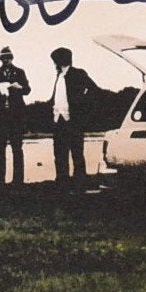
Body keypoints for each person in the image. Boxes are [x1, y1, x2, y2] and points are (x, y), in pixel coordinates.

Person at [48, 46, 96, 187]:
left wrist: (81, 109)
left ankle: (79, 182)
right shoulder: (59, 76)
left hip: (73, 120)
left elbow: (93, 90)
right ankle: (62, 181)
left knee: (76, 153)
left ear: (59, 61)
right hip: (58, 120)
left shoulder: (78, 73)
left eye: (55, 61)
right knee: (59, 153)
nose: (54, 63)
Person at [0, 46, 31, 186]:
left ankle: (18, 180)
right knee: (0, 148)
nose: (5, 61)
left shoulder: (20, 72)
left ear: (12, 58)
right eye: (3, 59)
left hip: (16, 116)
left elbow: (27, 90)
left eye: (8, 58)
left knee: (17, 148)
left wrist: (20, 87)